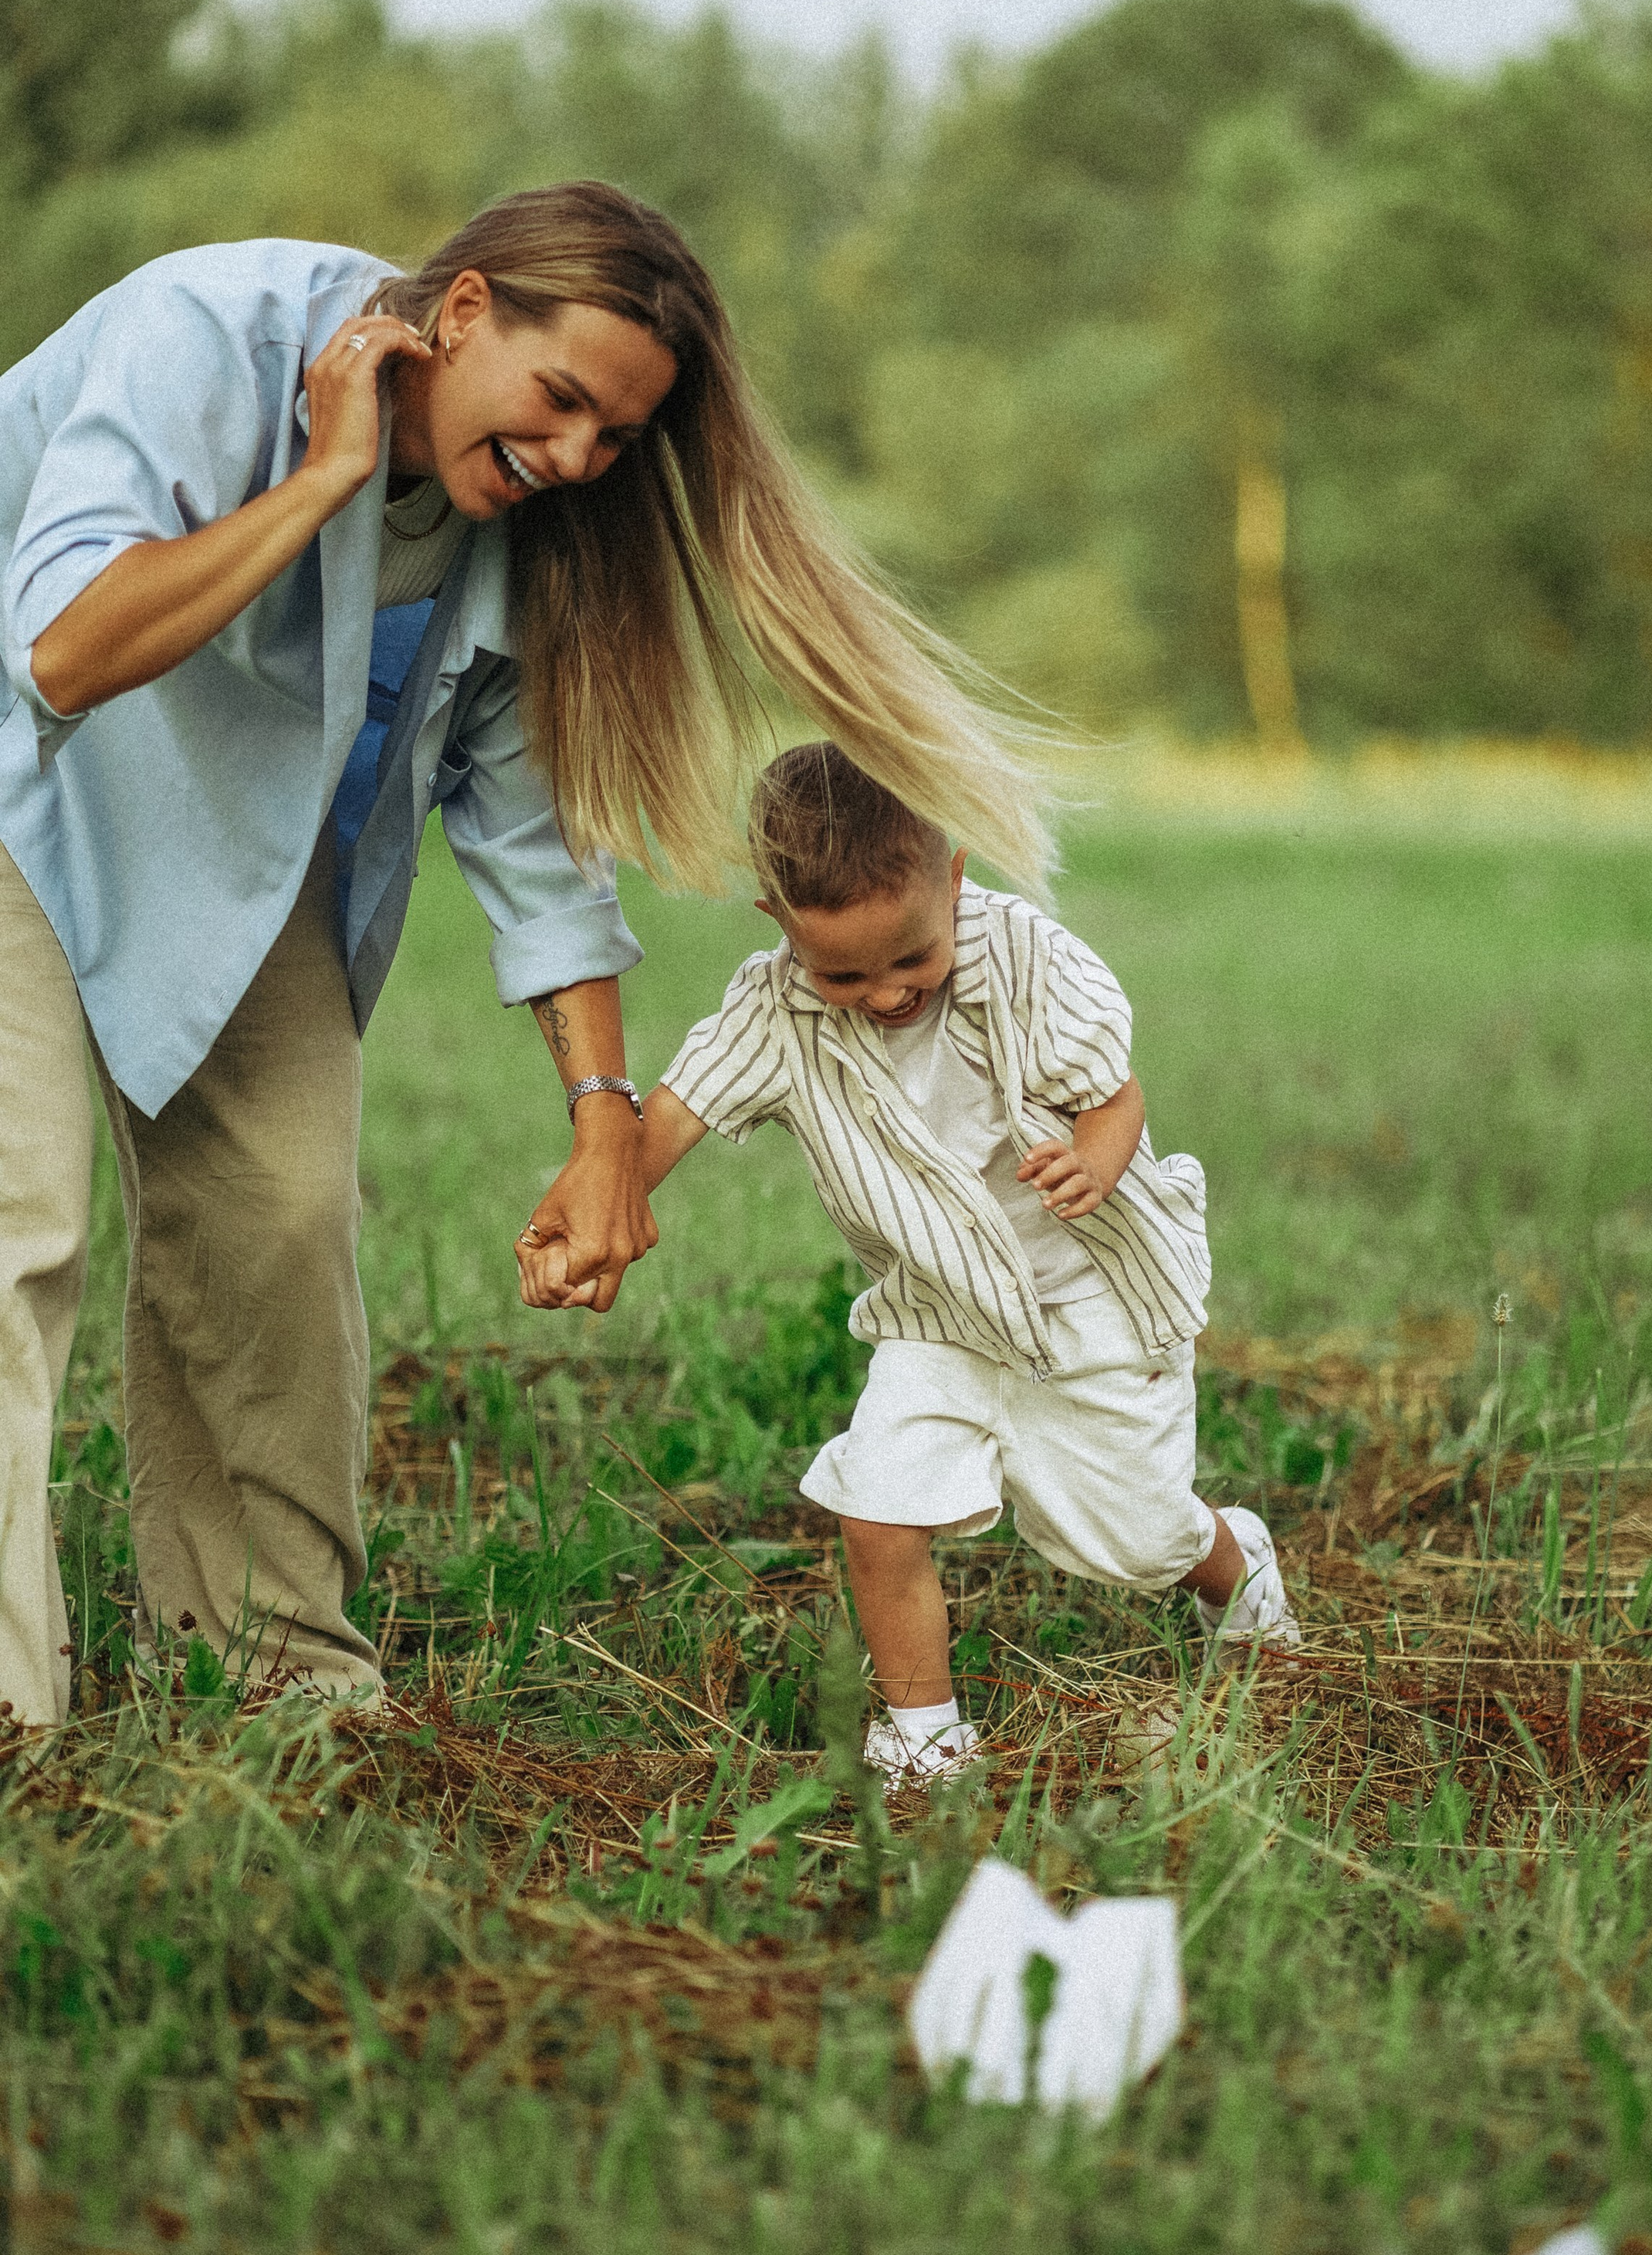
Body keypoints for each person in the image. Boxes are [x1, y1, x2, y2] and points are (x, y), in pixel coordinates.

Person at [0, 185, 1048, 1727]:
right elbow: (63, 650)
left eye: (614, 440)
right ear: (468, 309)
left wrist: (603, 1121)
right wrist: (325, 478)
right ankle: (15, 1723)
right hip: (17, 759)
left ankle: (279, 1677)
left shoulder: (521, 532)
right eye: (559, 403)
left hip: (219, 815)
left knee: (280, 1220)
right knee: (20, 1230)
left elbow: (533, 832)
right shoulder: (206, 335)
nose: (572, 460)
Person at [520, 743, 1301, 1783]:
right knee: (878, 1507)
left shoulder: (1030, 960)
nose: (885, 994)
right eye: (844, 971)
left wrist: (1095, 1163)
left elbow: (1116, 1094)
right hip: (937, 1314)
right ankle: (927, 1737)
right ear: (779, 924)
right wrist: (593, 1215)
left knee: (1136, 1542)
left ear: (956, 878)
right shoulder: (775, 1010)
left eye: (911, 961)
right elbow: (669, 1117)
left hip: (1090, 1297)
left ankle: (1230, 1559)